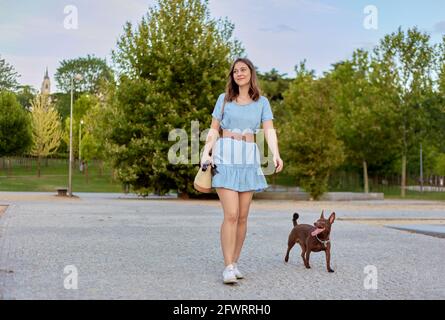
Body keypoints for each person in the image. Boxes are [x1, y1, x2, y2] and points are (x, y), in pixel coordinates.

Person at [201, 58, 283, 284]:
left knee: (243, 217)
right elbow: (213, 129)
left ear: (250, 73)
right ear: (232, 76)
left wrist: (275, 154)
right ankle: (227, 266)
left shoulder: (262, 102)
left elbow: (269, 131)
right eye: (235, 71)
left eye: (243, 70)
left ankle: (234, 262)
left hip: (249, 158)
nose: (239, 73)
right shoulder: (224, 100)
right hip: (225, 156)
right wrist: (206, 152)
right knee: (231, 214)